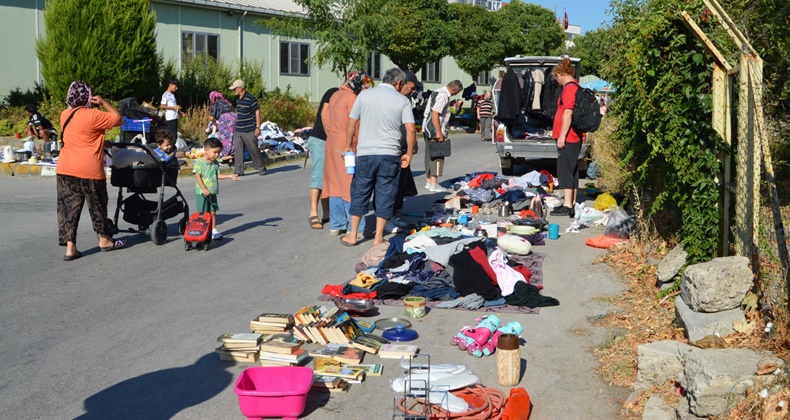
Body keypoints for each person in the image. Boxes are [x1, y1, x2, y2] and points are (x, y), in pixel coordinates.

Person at [340, 68, 417, 247]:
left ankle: (352, 235)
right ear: (399, 83)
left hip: (365, 153)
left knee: (360, 191)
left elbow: (351, 121)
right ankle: (378, 237)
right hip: (390, 154)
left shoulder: (364, 95)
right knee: (385, 193)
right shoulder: (402, 100)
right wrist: (408, 153)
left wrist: (348, 145)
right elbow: (411, 129)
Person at [56, 80, 125, 261]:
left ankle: (70, 248)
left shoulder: (65, 114)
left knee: (68, 209)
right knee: (97, 206)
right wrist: (103, 102)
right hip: (89, 169)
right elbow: (119, 119)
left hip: (65, 168)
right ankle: (104, 240)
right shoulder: (94, 115)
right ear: (88, 96)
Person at [322, 71, 373, 236]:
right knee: (351, 185)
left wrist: (332, 135)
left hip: (332, 143)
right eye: (364, 86)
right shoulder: (352, 98)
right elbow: (355, 124)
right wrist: (356, 144)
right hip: (347, 146)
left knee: (334, 184)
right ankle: (356, 227)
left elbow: (325, 117)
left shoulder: (336, 94)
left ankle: (337, 224)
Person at [549, 58, 583, 217]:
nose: (556, 81)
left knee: (565, 170)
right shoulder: (576, 86)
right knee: (572, 169)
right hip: (573, 136)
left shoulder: (569, 89)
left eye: (556, 78)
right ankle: (572, 202)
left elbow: (568, 114)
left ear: (559, 74)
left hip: (568, 137)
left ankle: (567, 204)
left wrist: (562, 136)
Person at [306, 83, 341, 230]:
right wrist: (331, 137)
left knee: (330, 179)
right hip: (320, 139)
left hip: (332, 141)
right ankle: (313, 212)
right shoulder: (333, 92)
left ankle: (327, 213)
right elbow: (324, 114)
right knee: (319, 176)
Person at [193, 137, 240, 240]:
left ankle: (213, 230)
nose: (217, 155)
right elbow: (198, 177)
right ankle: (203, 231)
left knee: (213, 212)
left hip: (212, 192)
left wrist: (229, 176)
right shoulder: (199, 162)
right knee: (203, 214)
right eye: (215, 152)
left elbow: (217, 175)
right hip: (202, 193)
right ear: (206, 150)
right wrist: (204, 189)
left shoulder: (215, 163)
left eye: (219, 153)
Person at [423, 79, 463, 192]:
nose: (455, 94)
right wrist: (438, 132)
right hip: (435, 130)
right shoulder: (443, 96)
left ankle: (429, 181)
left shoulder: (436, 92)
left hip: (427, 128)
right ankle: (434, 183)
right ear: (453, 89)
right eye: (456, 92)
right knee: (438, 156)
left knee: (429, 155)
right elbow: (435, 113)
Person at [393, 71, 422, 214]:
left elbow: (410, 125)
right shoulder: (392, 99)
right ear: (403, 83)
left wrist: (413, 142)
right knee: (393, 182)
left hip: (404, 147)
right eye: (412, 87)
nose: (413, 90)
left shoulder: (406, 99)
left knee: (402, 180)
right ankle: (389, 213)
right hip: (393, 146)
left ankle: (397, 208)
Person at [229, 79, 266, 176]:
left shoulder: (250, 98)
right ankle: (239, 170)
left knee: (253, 149)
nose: (234, 91)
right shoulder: (238, 100)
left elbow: (257, 112)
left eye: (235, 89)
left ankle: (261, 167)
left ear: (240, 88)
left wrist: (258, 127)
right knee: (238, 150)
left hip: (249, 129)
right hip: (239, 129)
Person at [208, 91, 236, 158]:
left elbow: (211, 117)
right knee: (232, 138)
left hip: (225, 119)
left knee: (224, 138)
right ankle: (232, 154)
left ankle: (224, 154)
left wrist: (215, 122)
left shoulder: (216, 103)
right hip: (235, 118)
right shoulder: (227, 102)